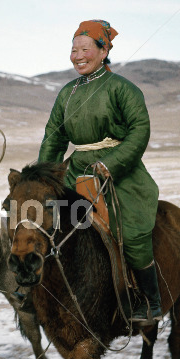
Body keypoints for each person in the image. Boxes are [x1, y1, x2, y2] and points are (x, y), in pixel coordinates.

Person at [38, 19, 162, 325]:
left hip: (118, 171)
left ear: (103, 50)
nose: (78, 55)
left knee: (131, 231)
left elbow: (139, 131)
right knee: (47, 225)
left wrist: (112, 164)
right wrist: (44, 178)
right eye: (73, 49)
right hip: (76, 169)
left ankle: (150, 300)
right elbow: (54, 137)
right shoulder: (66, 93)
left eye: (85, 49)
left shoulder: (123, 89)